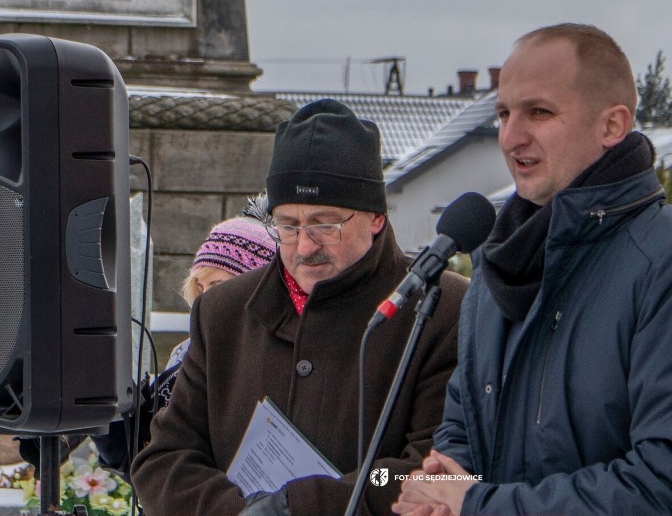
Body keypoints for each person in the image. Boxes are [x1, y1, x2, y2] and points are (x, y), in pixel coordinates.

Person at [393, 23, 672, 516]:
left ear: (612, 125)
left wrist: (480, 504)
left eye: (538, 112)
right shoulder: (500, 263)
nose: (510, 136)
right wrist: (444, 481)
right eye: (503, 113)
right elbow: (466, 425)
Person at [130, 99, 469, 516]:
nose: (305, 247)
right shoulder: (223, 312)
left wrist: (299, 507)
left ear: (375, 217)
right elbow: (163, 460)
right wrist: (241, 511)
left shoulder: (442, 308)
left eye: (325, 224)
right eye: (288, 225)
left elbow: (431, 473)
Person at [16, 202, 278, 481]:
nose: (203, 300)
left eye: (217, 285)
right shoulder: (187, 354)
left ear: (254, 288)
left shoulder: (272, 359)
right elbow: (143, 458)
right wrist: (106, 412)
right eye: (199, 286)